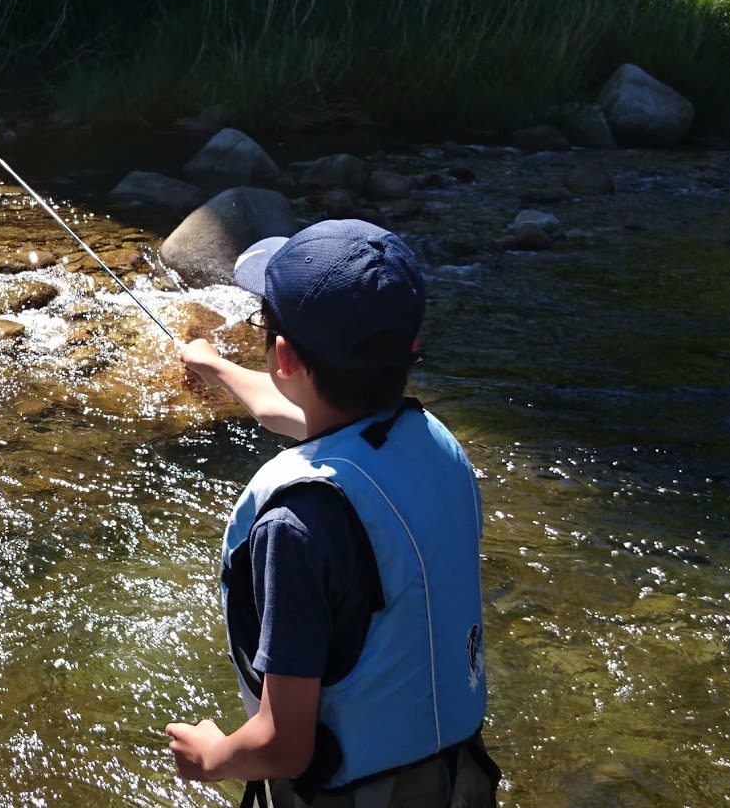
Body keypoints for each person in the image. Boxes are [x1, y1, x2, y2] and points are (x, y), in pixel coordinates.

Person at [168, 219, 499, 807]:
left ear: (284, 357)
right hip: (459, 781)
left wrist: (210, 756)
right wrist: (212, 365)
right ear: (411, 346)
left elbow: (282, 746)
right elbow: (290, 410)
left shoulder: (296, 525)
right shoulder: (432, 443)